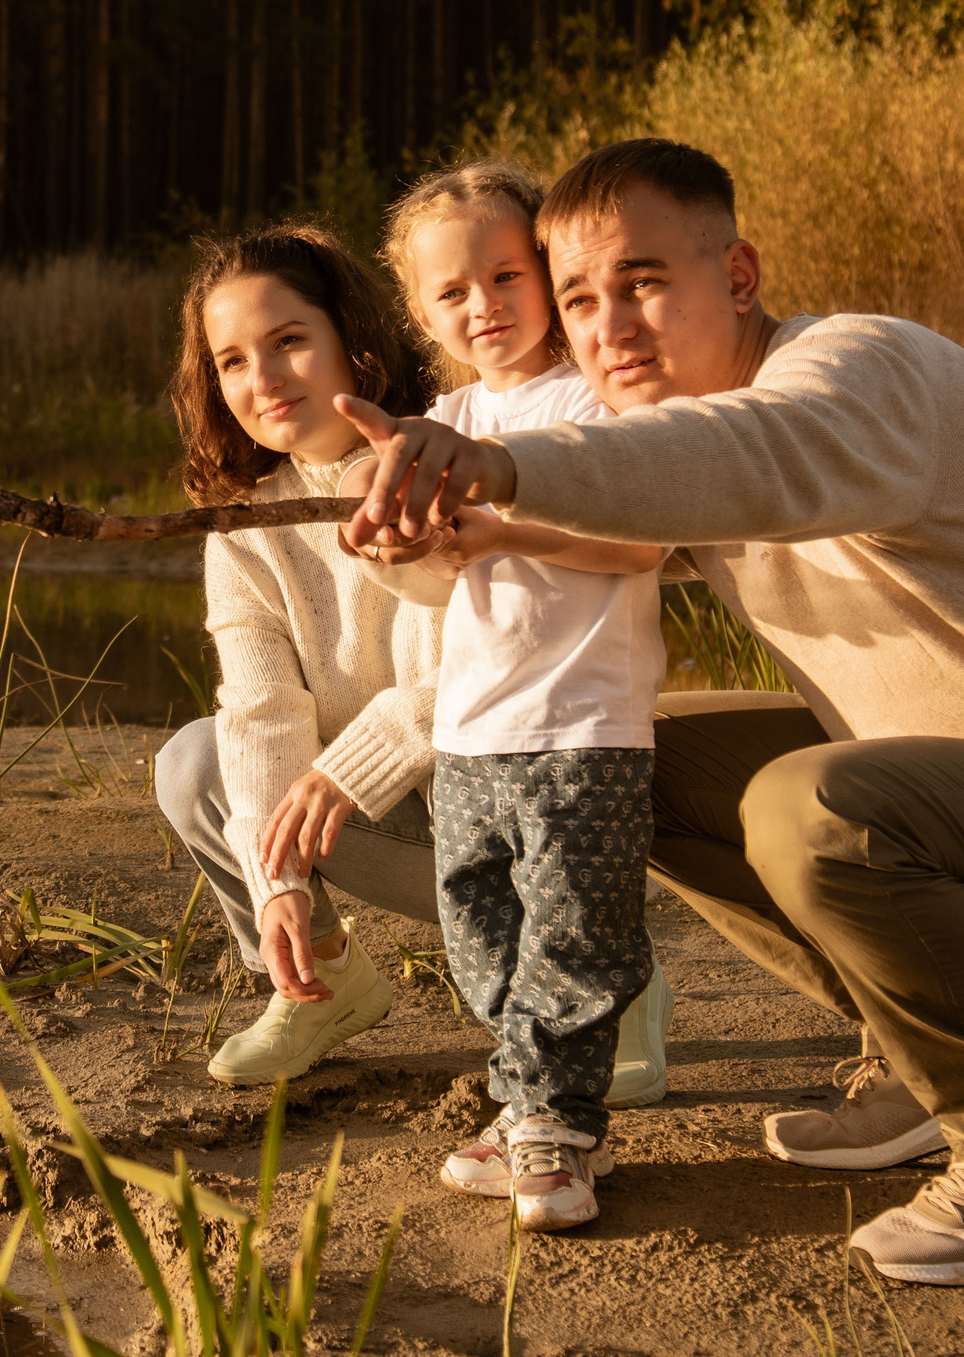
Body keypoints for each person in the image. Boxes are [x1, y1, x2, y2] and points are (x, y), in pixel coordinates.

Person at [336, 138, 964, 1287]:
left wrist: (498, 464)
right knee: (625, 765)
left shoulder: (862, 371)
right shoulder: (694, 441)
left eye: (642, 282)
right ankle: (919, 1062)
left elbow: (756, 455)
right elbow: (596, 534)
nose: (608, 329)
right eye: (577, 299)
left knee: (805, 806)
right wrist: (428, 534)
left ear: (737, 275)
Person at [345, 160, 672, 1232]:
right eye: (452, 292)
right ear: (418, 310)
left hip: (584, 723)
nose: (482, 307)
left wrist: (505, 527)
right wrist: (400, 539)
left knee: (573, 931)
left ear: (544, 271)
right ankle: (522, 1096)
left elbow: (640, 541)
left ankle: (559, 1126)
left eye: (504, 275)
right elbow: (440, 576)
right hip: (473, 726)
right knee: (480, 929)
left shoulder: (593, 395)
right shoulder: (445, 411)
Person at [152, 223, 445, 1087]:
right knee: (197, 761)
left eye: (288, 342)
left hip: (511, 819)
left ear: (352, 338)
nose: (264, 379)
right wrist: (276, 879)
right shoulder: (245, 528)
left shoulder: (446, 456)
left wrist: (349, 769)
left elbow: (485, 680)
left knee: (486, 760)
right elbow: (262, 711)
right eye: (232, 360)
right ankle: (320, 984)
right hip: (394, 823)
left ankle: (611, 979)